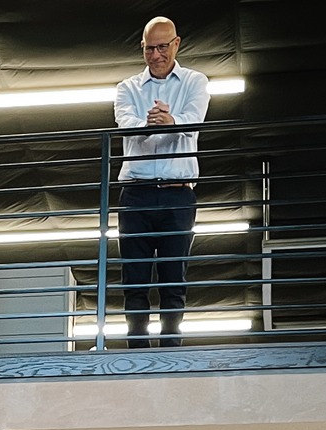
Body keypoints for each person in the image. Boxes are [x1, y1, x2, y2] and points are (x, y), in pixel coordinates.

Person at [113, 18, 209, 349]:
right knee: (134, 280)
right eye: (149, 48)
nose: (156, 55)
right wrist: (154, 124)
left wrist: (171, 122)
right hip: (136, 196)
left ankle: (171, 353)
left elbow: (194, 121)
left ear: (177, 44)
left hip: (177, 195)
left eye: (162, 47)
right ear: (142, 48)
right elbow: (127, 125)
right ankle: (136, 353)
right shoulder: (126, 88)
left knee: (173, 278)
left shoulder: (195, 82)